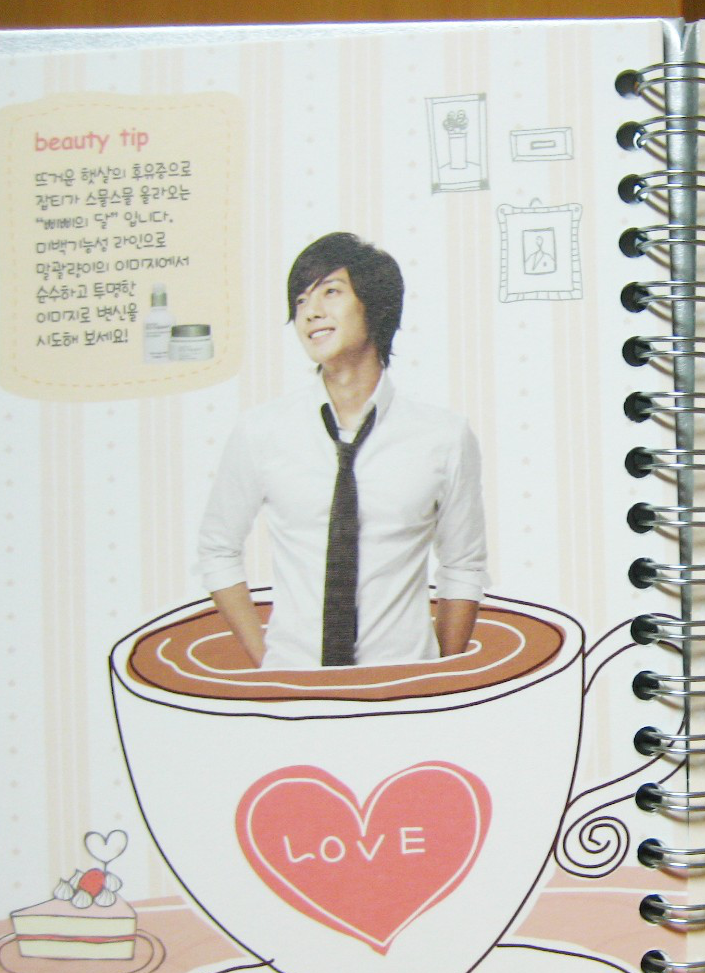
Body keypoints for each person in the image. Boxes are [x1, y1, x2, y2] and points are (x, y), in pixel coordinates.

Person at [197, 232, 487, 668]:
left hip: (403, 683)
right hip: (294, 685)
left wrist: (437, 676)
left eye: (330, 292)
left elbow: (463, 565)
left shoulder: (443, 436)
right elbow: (217, 548)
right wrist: (268, 661)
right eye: (300, 300)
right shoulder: (261, 432)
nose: (310, 312)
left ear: (375, 304)